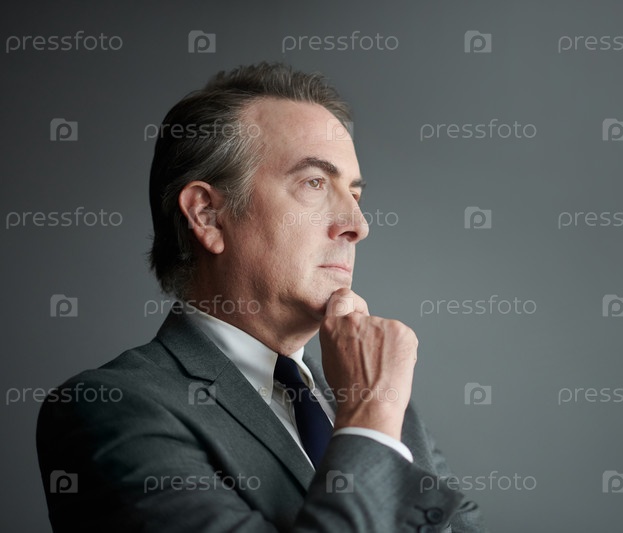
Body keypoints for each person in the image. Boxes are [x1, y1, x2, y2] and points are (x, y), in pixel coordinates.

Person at [37, 62, 487, 532]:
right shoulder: (109, 407)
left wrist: (373, 409)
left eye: (355, 195)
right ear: (208, 215)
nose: (357, 225)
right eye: (315, 183)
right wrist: (370, 417)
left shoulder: (373, 397)